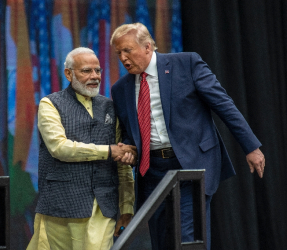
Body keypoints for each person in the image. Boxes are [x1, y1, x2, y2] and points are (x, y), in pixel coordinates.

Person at [110, 23, 265, 250]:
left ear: (147, 46)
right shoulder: (120, 88)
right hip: (151, 172)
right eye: (118, 53)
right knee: (163, 242)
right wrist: (130, 149)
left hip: (190, 165)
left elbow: (224, 105)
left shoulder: (186, 64)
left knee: (187, 239)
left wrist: (251, 147)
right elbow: (130, 131)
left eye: (127, 50)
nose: (123, 58)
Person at [27, 47, 136, 250]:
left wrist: (127, 207)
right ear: (68, 73)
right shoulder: (50, 103)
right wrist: (109, 151)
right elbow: (59, 148)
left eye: (98, 71)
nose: (94, 76)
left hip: (104, 205)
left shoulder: (109, 107)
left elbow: (122, 162)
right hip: (63, 204)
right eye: (86, 71)